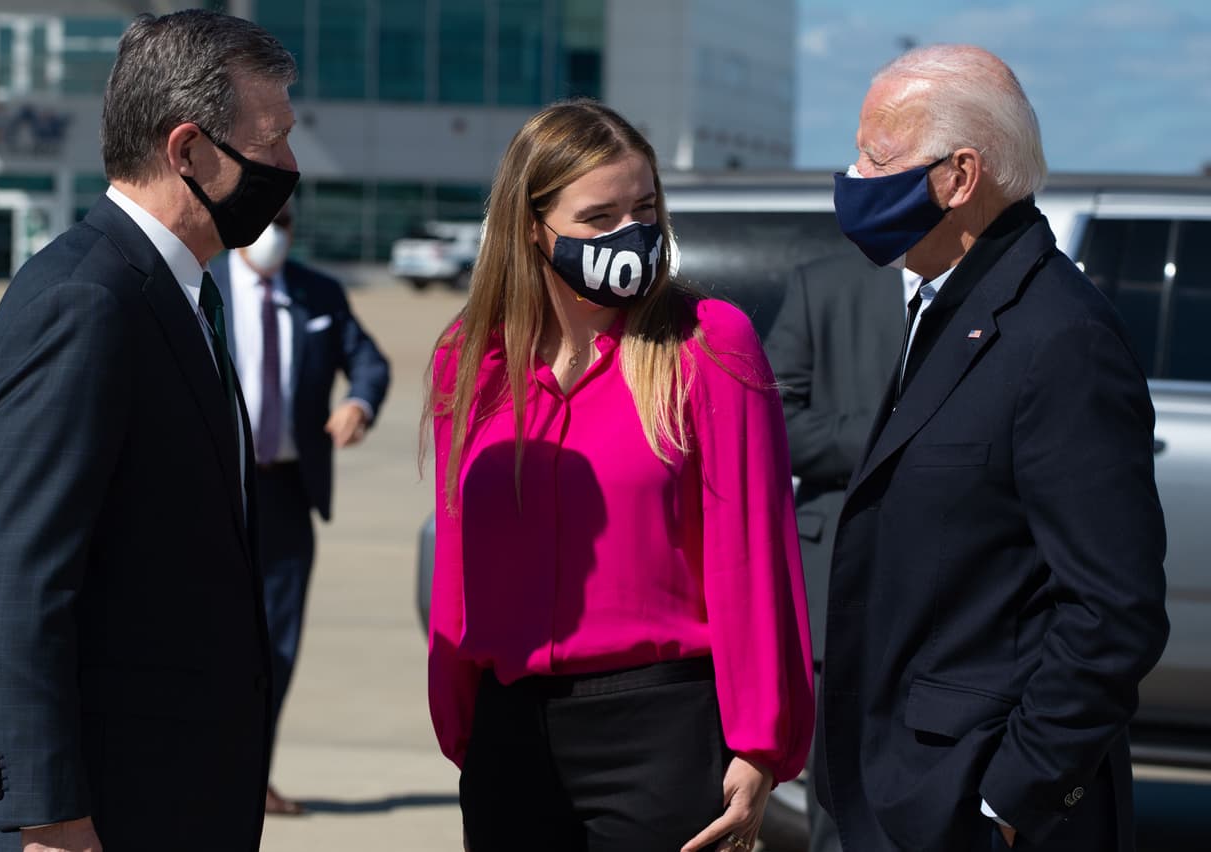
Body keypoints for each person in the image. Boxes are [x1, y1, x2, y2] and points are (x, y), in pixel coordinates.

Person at [0, 10, 299, 852]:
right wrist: (52, 816)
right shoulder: (86, 301)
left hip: (167, 793)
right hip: (91, 815)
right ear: (187, 150)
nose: (287, 166)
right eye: (272, 138)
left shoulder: (174, 295)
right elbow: (15, 579)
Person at [424, 100, 814, 852]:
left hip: (664, 734)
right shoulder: (471, 359)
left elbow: (753, 554)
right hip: (512, 737)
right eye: (598, 217)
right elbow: (458, 552)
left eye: (644, 208)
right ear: (532, 226)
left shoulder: (708, 342)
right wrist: (461, 720)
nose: (627, 235)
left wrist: (762, 743)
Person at [815, 44, 1169, 852]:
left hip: (972, 802)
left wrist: (1008, 802)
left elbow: (1114, 612)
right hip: (899, 784)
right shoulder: (946, 306)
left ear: (960, 176)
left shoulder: (1059, 337)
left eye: (876, 154)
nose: (852, 176)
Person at [210, 203, 390, 815]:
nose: (273, 232)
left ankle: (253, 773)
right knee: (208, 634)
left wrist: (360, 402)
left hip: (287, 492)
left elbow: (368, 360)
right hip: (213, 495)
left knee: (276, 642)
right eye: (266, 219)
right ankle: (205, 763)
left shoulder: (318, 292)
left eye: (284, 221)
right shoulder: (199, 284)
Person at [760, 251, 904, 852]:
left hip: (948, 592)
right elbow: (771, 415)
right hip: (836, 583)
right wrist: (889, 436)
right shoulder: (822, 284)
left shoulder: (981, 281)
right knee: (839, 811)